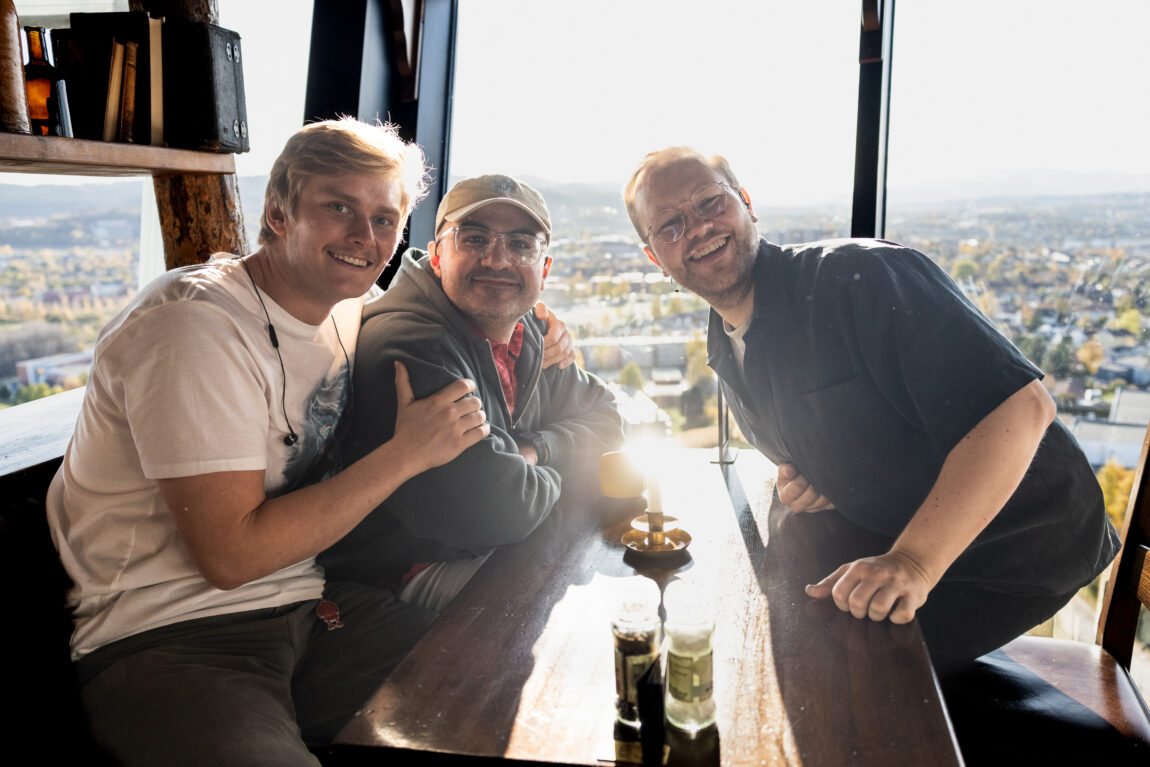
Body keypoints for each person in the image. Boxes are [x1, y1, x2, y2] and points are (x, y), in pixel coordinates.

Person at [46, 118, 492, 767]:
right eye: (339, 207)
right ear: (279, 212)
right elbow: (228, 555)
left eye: (385, 217)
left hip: (313, 611)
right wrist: (405, 454)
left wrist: (530, 329)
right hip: (168, 639)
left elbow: (426, 308)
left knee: (489, 692)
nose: (365, 237)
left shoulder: (345, 305)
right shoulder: (194, 327)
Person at [623, 146, 1120, 674]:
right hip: (894, 532)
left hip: (1013, 552)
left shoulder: (863, 278)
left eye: (709, 203)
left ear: (746, 204)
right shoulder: (726, 342)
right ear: (656, 257)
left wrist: (913, 563)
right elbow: (839, 432)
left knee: (821, 671)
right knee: (760, 634)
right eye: (670, 226)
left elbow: (1022, 410)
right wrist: (823, 480)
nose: (697, 228)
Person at [320, 175, 625, 610]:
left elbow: (609, 421)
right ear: (438, 255)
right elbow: (502, 508)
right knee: (585, 610)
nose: (497, 261)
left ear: (545, 269)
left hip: (491, 548)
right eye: (475, 239)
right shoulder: (410, 345)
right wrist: (571, 469)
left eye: (521, 244)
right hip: (405, 574)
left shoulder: (529, 332)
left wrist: (534, 450)